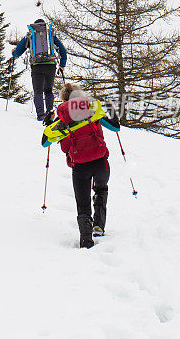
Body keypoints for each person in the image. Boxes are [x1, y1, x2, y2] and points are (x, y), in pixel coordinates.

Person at [44, 83, 120, 248]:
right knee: (101, 189)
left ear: (64, 101)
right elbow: (116, 127)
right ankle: (99, 225)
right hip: (101, 162)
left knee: (83, 204)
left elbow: (45, 142)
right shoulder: (93, 111)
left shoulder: (62, 120)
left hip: (80, 166)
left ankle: (86, 240)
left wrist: (48, 123)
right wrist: (111, 109)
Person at [11, 19, 67, 123]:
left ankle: (41, 115)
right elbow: (63, 51)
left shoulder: (31, 34)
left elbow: (18, 52)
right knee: (48, 90)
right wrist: (62, 65)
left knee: (38, 91)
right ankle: (50, 114)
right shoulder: (50, 34)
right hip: (50, 65)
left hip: (37, 66)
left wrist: (13, 53)